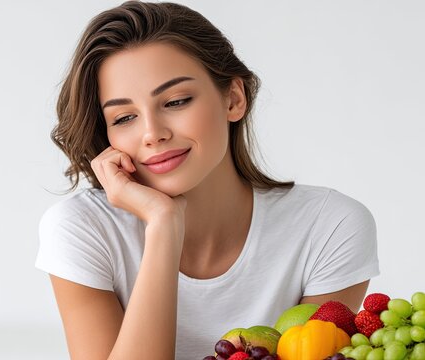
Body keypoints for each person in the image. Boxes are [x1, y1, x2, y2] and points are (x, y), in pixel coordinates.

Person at [35, 1, 380, 359]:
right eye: (124, 118)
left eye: (177, 101)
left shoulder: (329, 225)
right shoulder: (82, 229)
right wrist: (164, 225)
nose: (152, 134)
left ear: (233, 98)